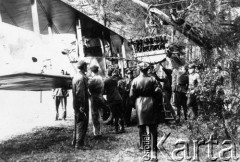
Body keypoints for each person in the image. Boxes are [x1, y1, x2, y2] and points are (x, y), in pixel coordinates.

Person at [130, 62, 162, 161]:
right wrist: (156, 102)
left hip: (139, 104)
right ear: (147, 69)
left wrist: (134, 104)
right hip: (151, 103)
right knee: (153, 129)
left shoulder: (135, 80)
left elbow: (131, 95)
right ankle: (153, 153)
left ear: (139, 69)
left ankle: (144, 149)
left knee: (142, 127)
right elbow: (158, 92)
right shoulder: (152, 79)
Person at [72, 60, 89, 149]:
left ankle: (75, 141)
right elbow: (80, 93)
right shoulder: (81, 78)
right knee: (82, 123)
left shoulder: (76, 76)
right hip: (81, 103)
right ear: (83, 67)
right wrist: (82, 105)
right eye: (86, 66)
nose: (87, 68)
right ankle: (79, 144)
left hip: (76, 103)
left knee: (77, 122)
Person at [88, 65, 109, 137]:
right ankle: (99, 131)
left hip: (94, 97)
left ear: (92, 71)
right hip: (100, 96)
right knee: (100, 114)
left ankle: (97, 133)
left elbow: (89, 88)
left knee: (94, 115)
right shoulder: (101, 78)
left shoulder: (92, 79)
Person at [104, 68, 125, 134]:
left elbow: (103, 91)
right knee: (120, 114)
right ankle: (122, 128)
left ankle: (116, 129)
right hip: (119, 98)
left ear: (108, 73)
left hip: (112, 99)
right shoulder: (117, 79)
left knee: (115, 114)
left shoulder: (106, 81)